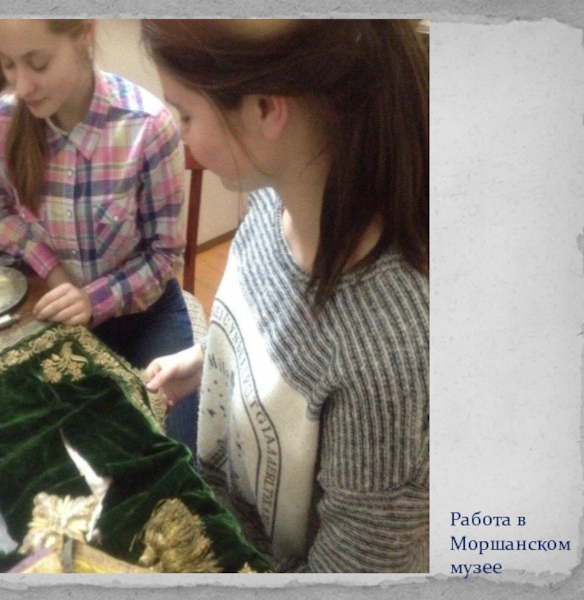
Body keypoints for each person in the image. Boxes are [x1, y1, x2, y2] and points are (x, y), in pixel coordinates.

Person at [142, 19, 429, 572]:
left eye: (185, 114)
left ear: (265, 109)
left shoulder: (391, 358)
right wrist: (209, 358)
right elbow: (278, 336)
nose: (180, 135)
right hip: (223, 518)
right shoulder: (274, 197)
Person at [0, 19, 198, 451]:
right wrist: (52, 269)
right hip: (55, 313)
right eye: (8, 65)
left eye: (38, 63)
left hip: (145, 315)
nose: (22, 86)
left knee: (173, 453)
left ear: (84, 34)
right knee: (35, 450)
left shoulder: (147, 126)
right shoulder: (4, 121)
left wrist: (93, 299)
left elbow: (165, 256)